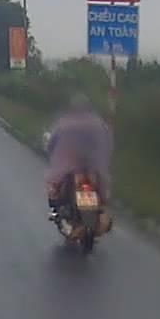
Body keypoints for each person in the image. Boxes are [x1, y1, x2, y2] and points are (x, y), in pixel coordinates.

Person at [44, 93, 113, 226]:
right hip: (94, 166)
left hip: (67, 166)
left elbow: (52, 142)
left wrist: (50, 152)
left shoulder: (64, 123)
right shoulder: (99, 124)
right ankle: (101, 209)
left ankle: (55, 211)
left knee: (53, 186)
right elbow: (108, 143)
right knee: (102, 188)